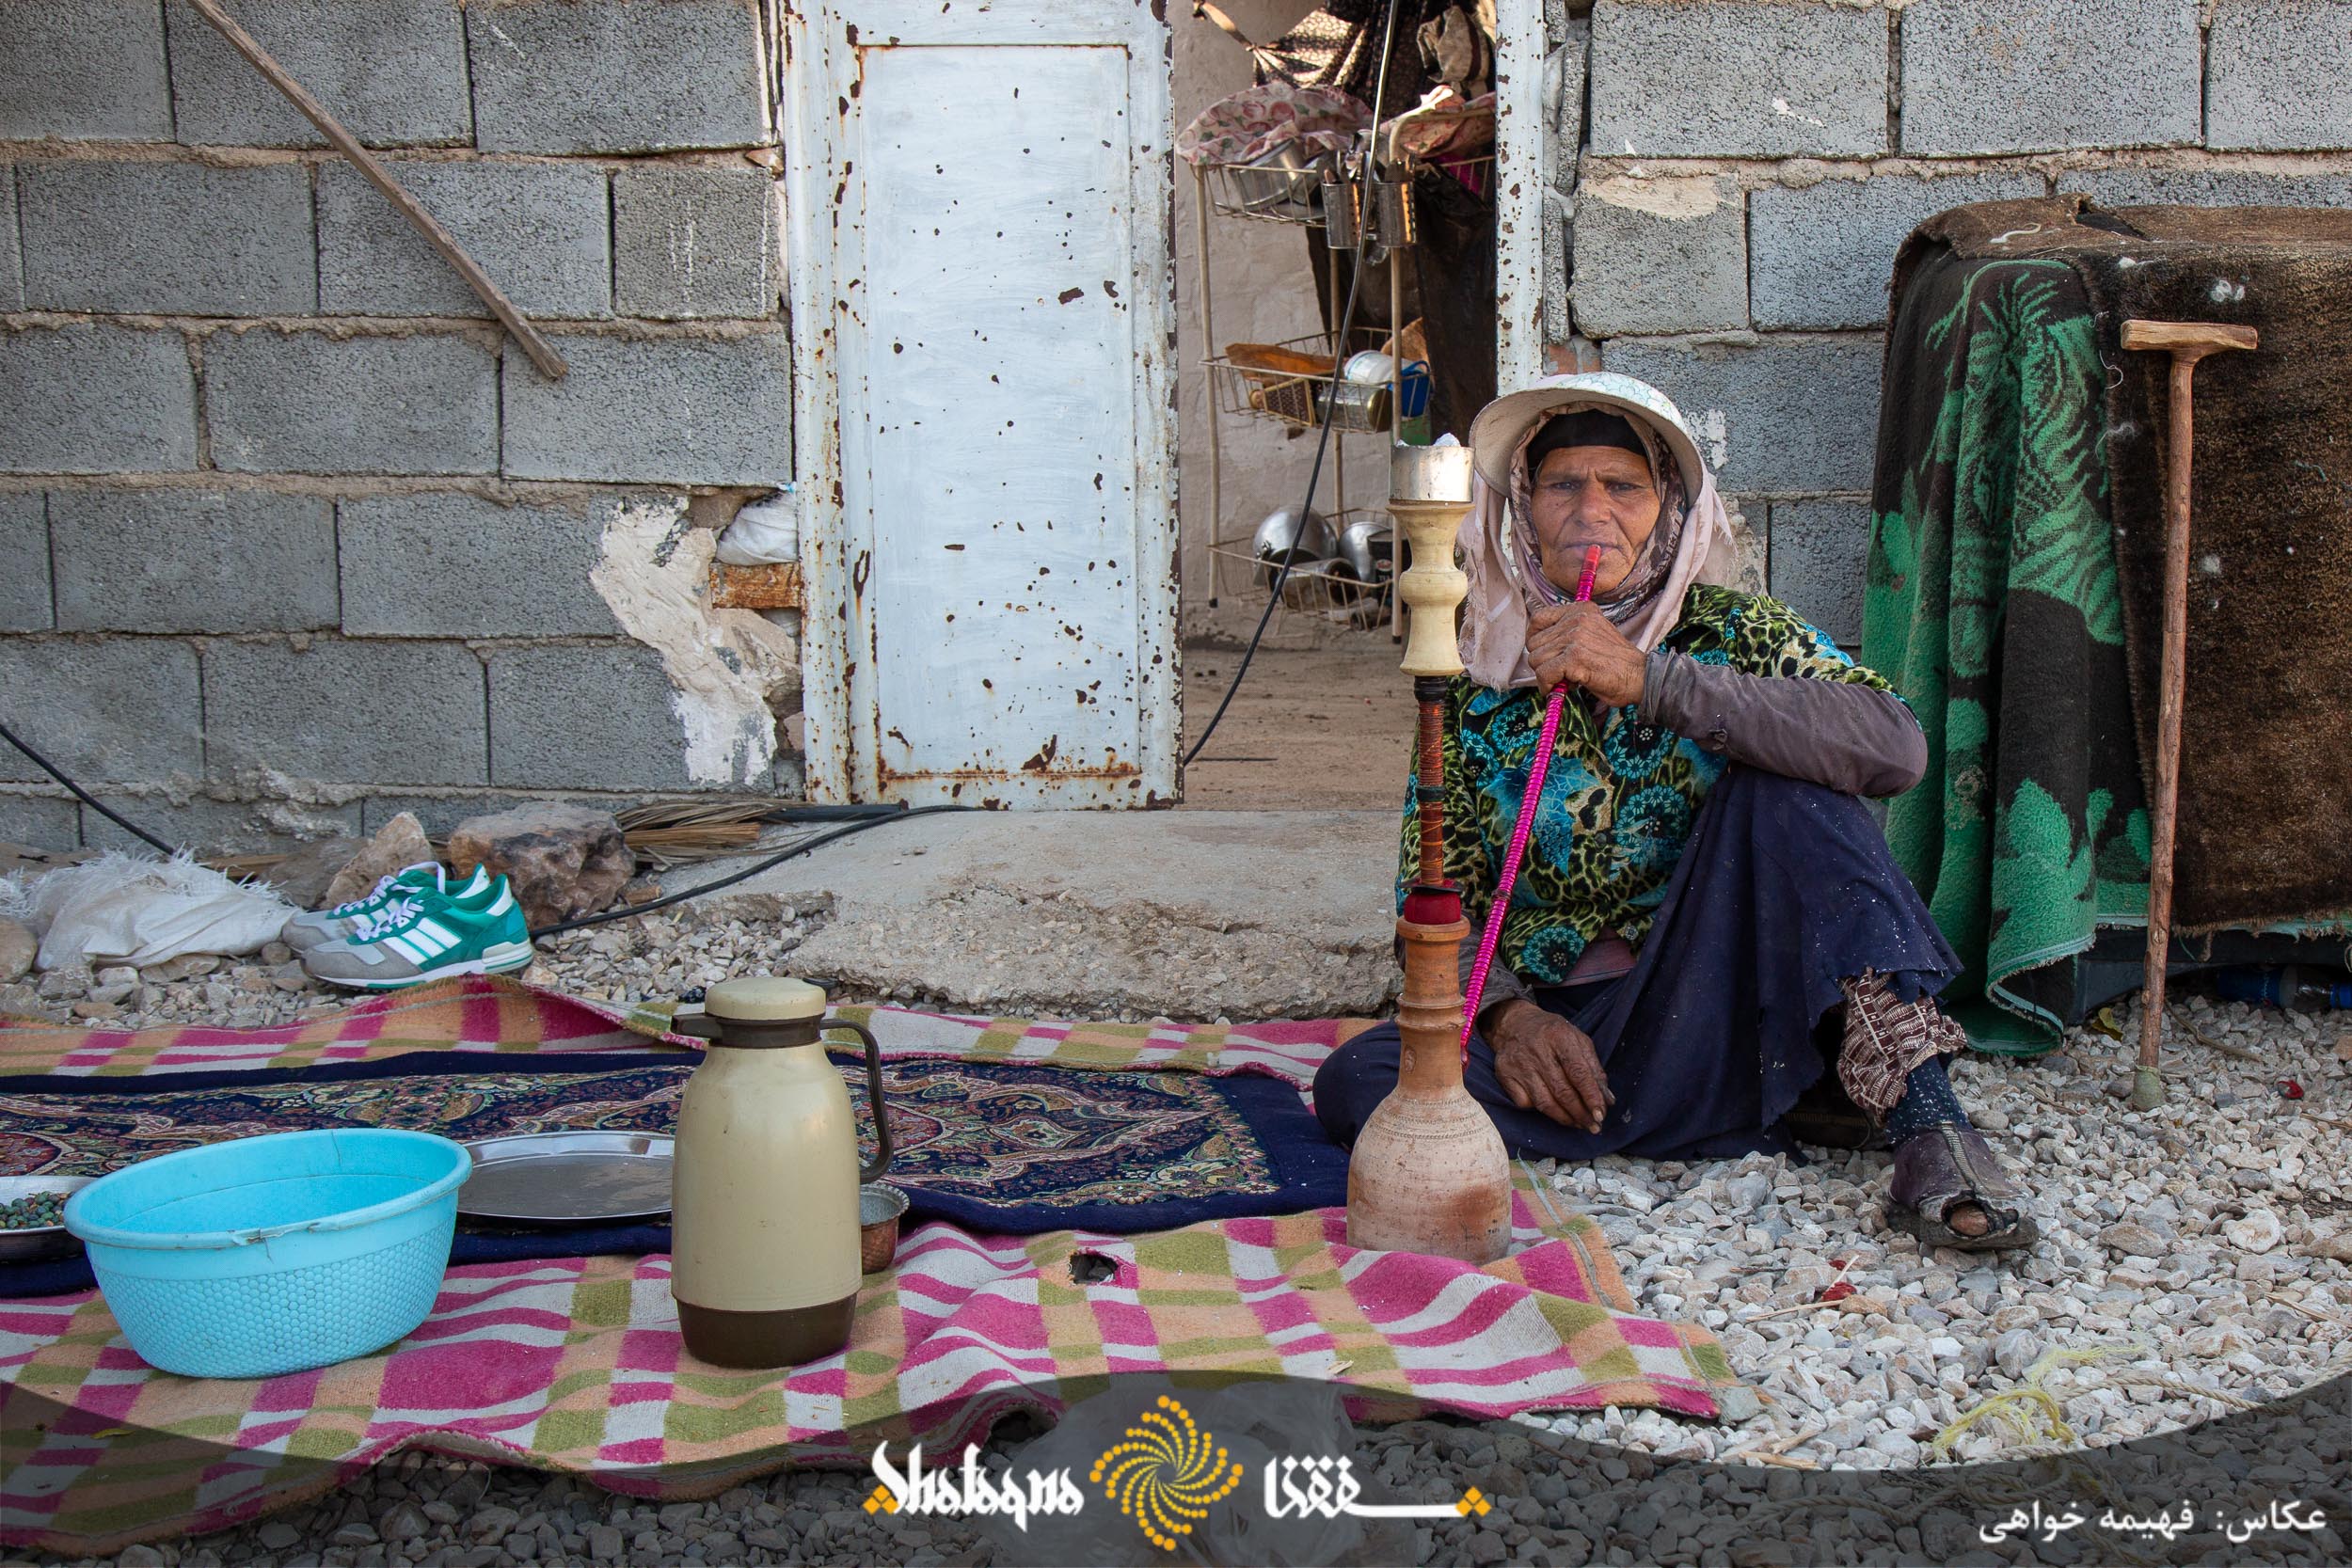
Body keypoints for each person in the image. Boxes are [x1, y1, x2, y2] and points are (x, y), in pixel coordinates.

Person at [1312, 372, 2035, 1251]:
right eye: (1562, 484)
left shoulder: (1734, 633)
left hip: (1720, 999)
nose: (1592, 511)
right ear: (1523, 510)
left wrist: (1651, 680)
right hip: (1571, 1034)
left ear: (1670, 511)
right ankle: (1748, 1102)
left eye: (1623, 486)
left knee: (1791, 786)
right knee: (1357, 1083)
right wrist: (1510, 1018)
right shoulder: (1473, 674)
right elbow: (1429, 900)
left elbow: (1895, 745)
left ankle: (1929, 1120)